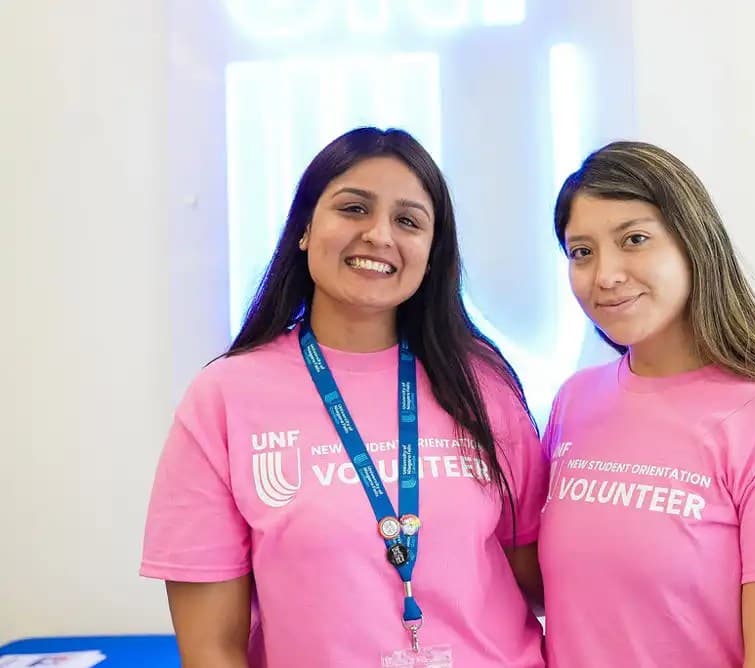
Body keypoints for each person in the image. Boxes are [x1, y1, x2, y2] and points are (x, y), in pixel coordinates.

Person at [140, 127, 547, 667]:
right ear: (305, 229)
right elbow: (213, 648)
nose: (379, 235)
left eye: (408, 220)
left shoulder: (482, 385)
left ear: (431, 252)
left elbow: (544, 582)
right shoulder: (225, 398)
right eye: (354, 208)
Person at [537, 141, 755, 667]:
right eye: (582, 251)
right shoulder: (575, 401)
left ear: (694, 243)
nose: (605, 274)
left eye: (635, 239)